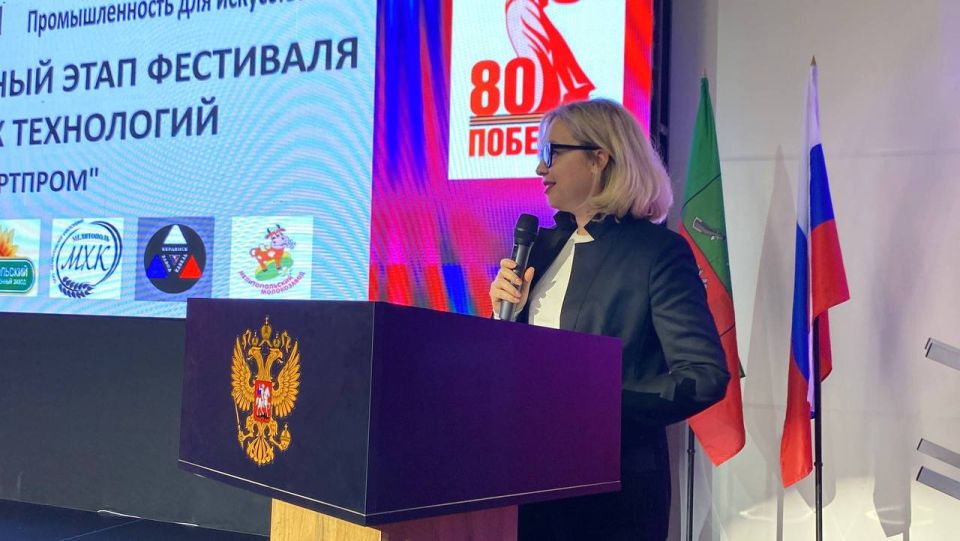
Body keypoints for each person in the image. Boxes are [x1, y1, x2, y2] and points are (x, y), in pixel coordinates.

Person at [489, 98, 729, 540]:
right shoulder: (540, 247)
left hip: (612, 495)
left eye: (552, 152)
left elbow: (704, 375)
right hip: (528, 484)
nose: (540, 168)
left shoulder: (657, 252)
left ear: (599, 158)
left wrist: (597, 405)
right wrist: (502, 316)